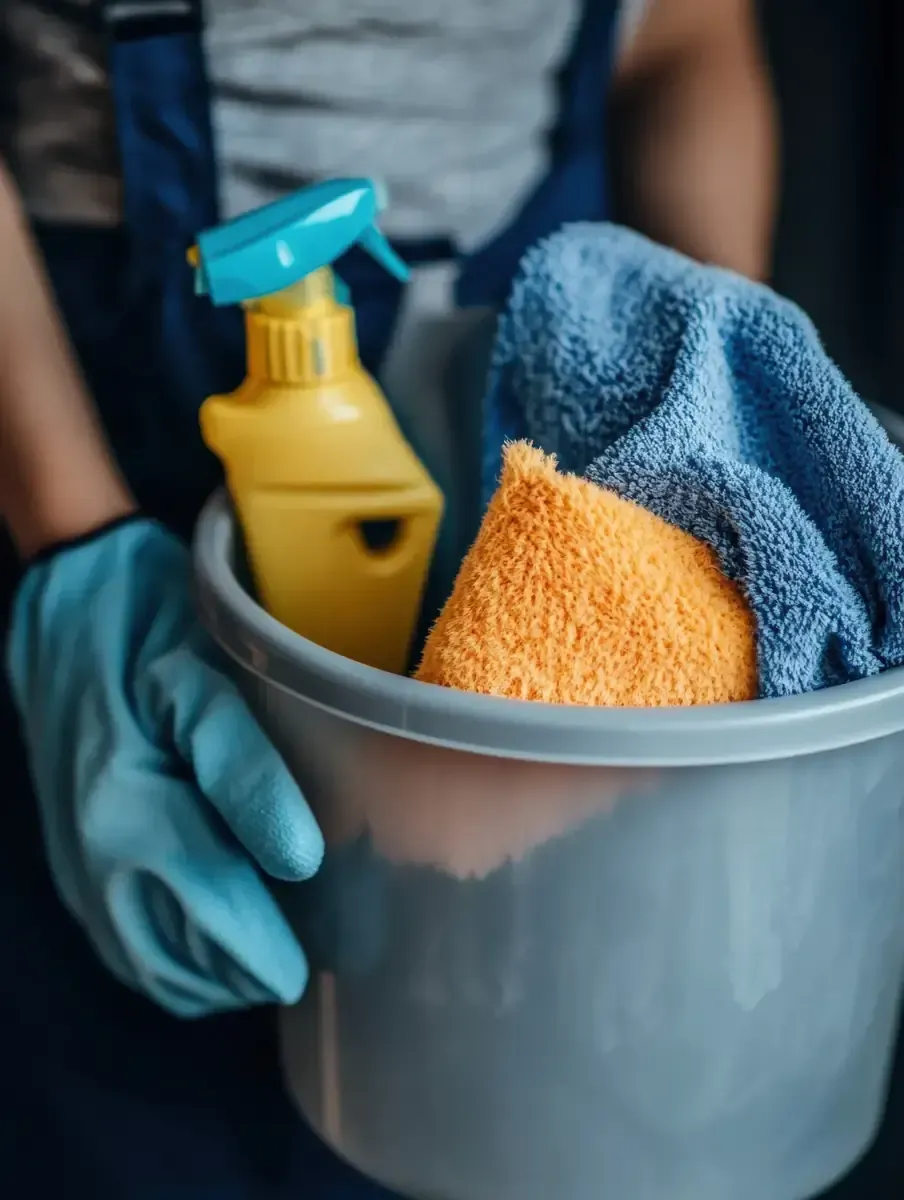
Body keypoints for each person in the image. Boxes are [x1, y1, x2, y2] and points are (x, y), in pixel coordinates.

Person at [0, 0, 777, 1196]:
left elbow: (685, 32)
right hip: (68, 407)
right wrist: (70, 536)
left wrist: (709, 410)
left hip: (551, 337)